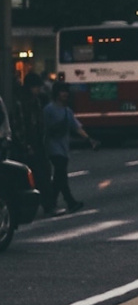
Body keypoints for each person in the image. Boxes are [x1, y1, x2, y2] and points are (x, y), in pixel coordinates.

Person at [42, 83, 97, 214]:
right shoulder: (48, 109)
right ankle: (70, 201)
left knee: (59, 177)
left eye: (66, 92)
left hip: (64, 148)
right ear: (56, 93)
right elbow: (42, 127)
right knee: (61, 174)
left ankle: (51, 203)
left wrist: (89, 139)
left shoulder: (67, 111)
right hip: (52, 147)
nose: (65, 94)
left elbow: (77, 127)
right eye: (62, 91)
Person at [12, 73, 52, 215]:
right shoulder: (22, 102)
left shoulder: (35, 101)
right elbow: (19, 127)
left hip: (37, 143)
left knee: (43, 175)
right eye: (36, 87)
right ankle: (45, 206)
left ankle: (47, 205)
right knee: (38, 176)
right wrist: (25, 145)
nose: (38, 90)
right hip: (29, 145)